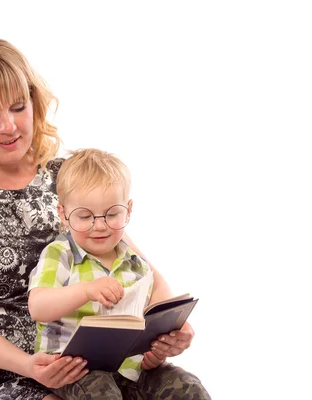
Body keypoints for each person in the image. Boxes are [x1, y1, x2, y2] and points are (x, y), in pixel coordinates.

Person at [0, 38, 208, 400]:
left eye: (17, 107)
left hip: (100, 362)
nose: (9, 126)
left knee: (186, 391)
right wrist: (31, 367)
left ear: (34, 102)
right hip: (3, 371)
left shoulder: (67, 177)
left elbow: (143, 273)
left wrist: (166, 334)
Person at [28, 148, 211, 399]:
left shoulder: (133, 260)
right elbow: (38, 307)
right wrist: (86, 290)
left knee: (188, 386)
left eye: (112, 214)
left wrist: (160, 345)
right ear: (64, 214)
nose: (100, 225)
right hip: (76, 369)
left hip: (132, 368)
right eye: (84, 216)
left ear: (129, 209)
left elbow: (151, 309)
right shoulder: (60, 253)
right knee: (103, 394)